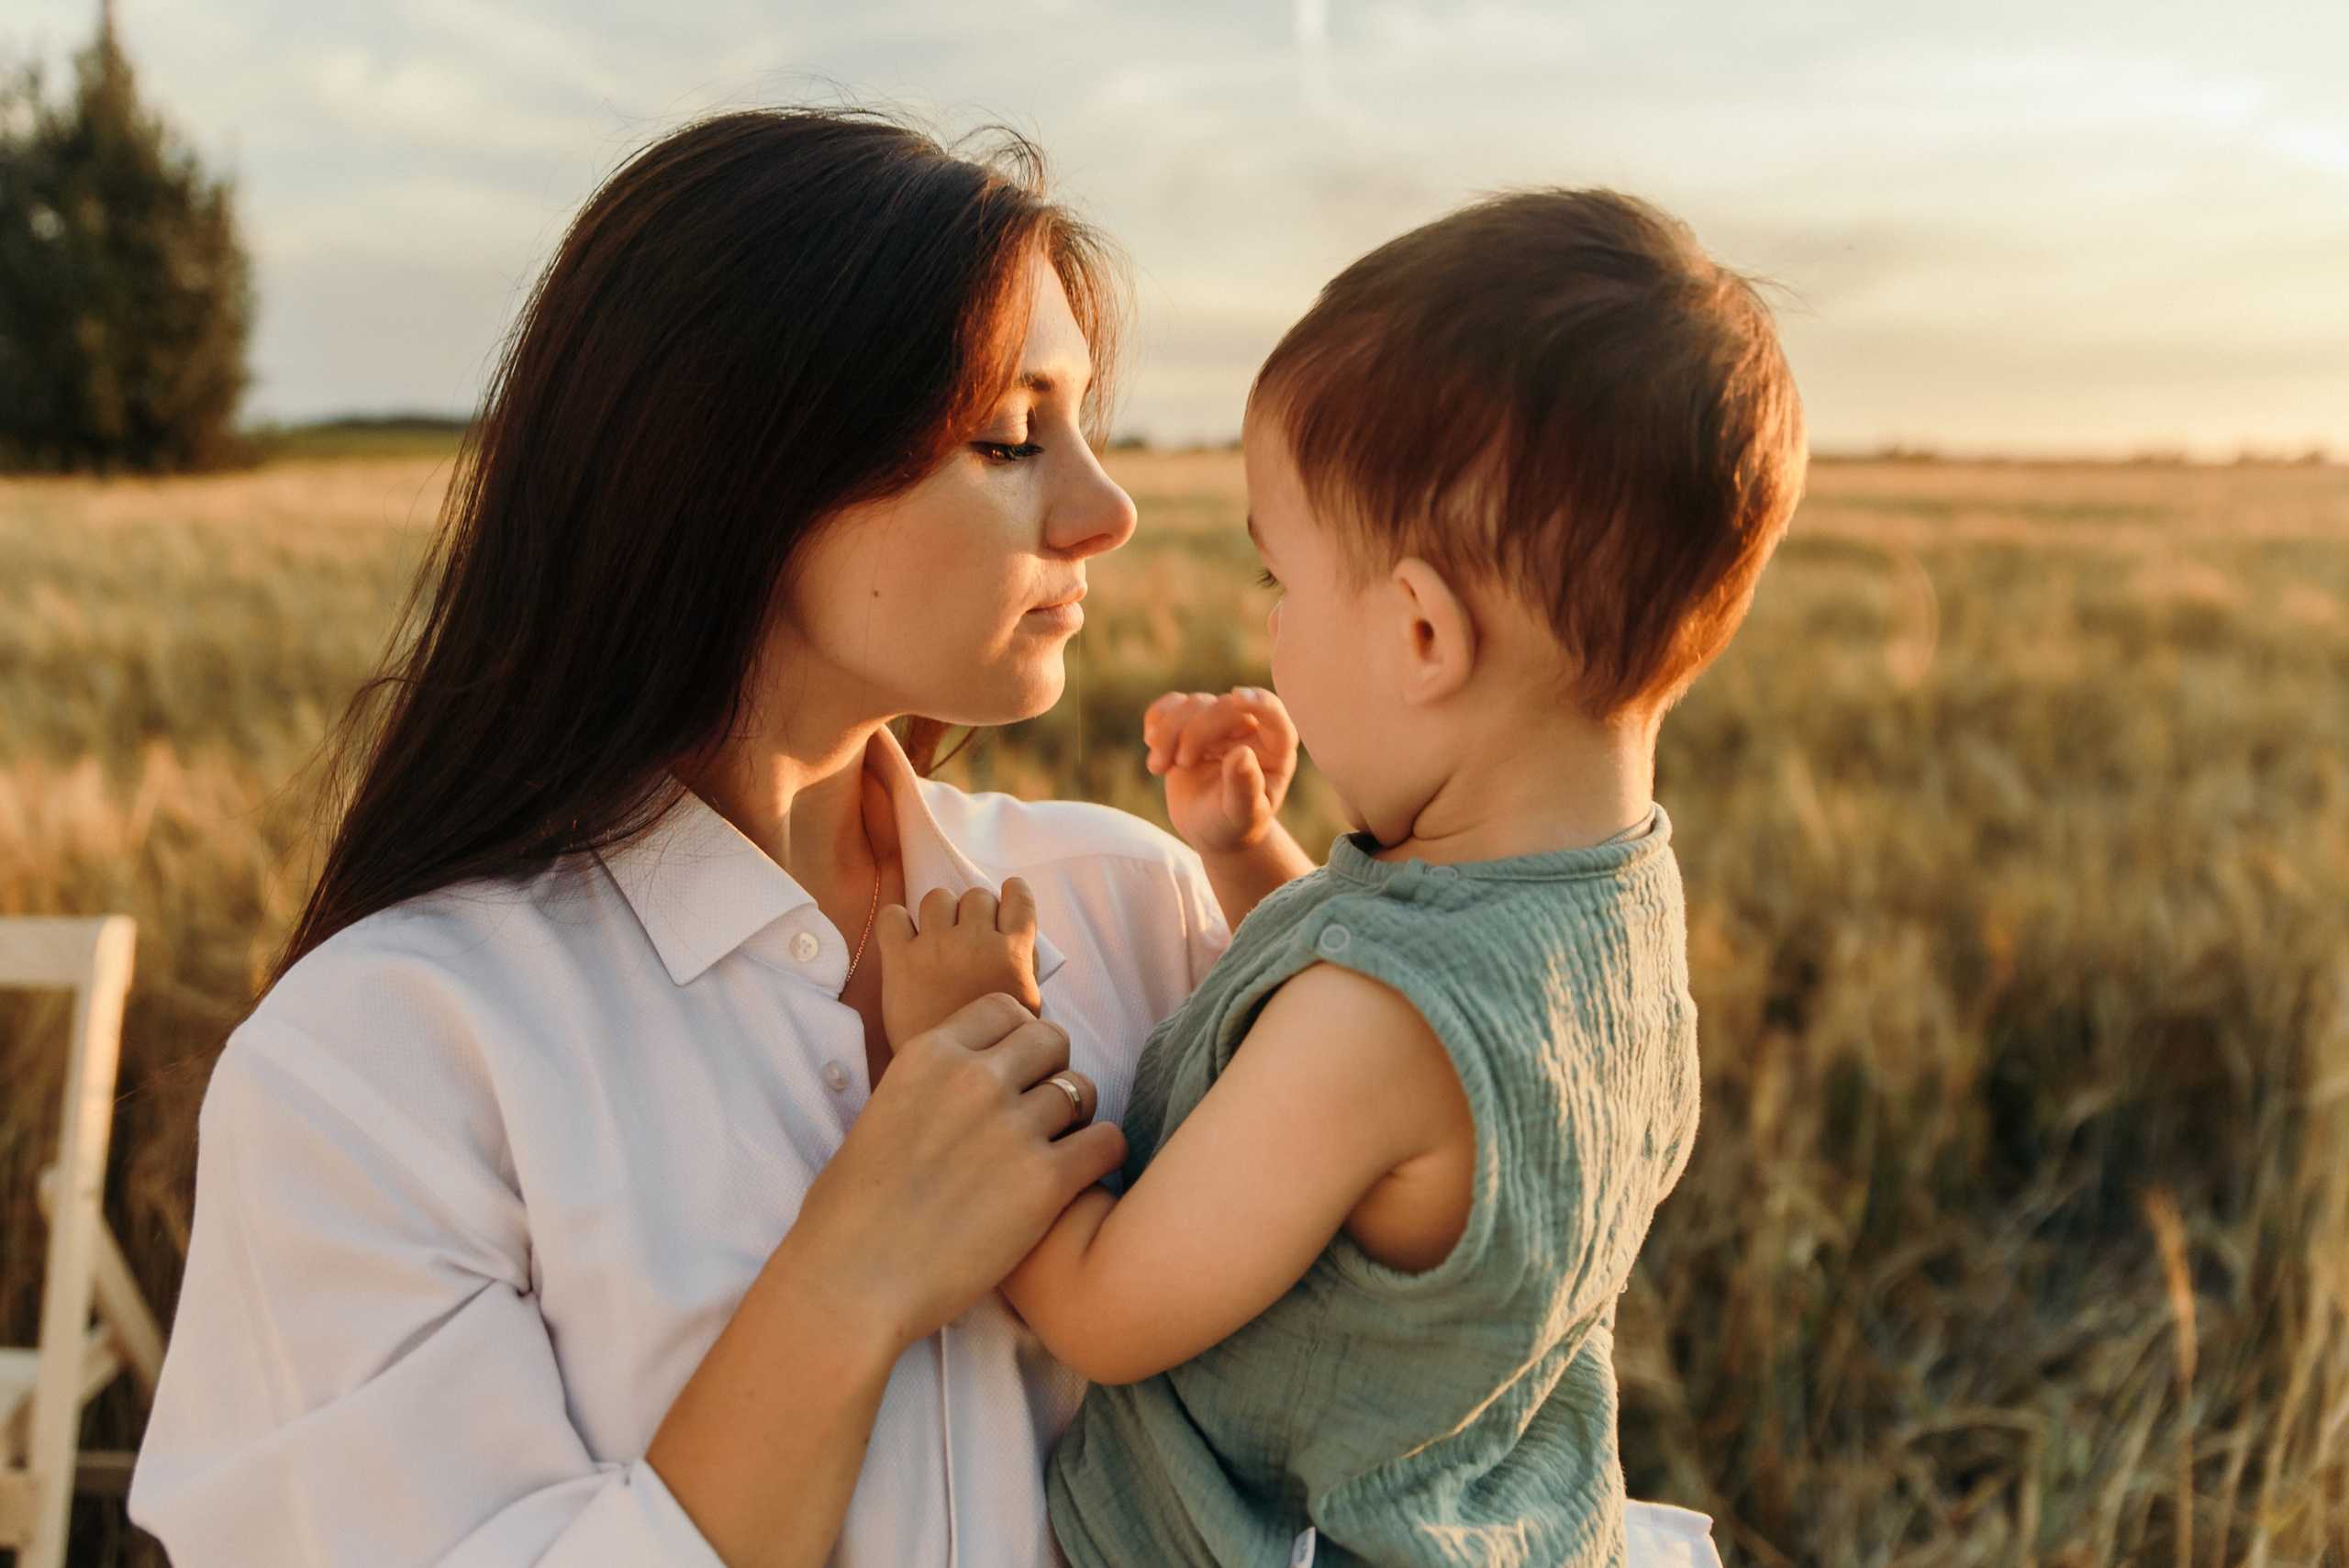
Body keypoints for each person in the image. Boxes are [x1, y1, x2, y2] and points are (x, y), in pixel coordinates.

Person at [128, 110, 1230, 1568]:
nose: (1107, 508)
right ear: (739, 468)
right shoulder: (383, 1057)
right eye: (1012, 437)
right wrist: (852, 1276)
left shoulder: (1142, 907)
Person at [887, 190, 1805, 1566]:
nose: (1271, 627)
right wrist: (1246, 847)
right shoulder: (1612, 911)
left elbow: (1097, 1306)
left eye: (1284, 580)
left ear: (1424, 630)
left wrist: (970, 1043)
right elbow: (1391, 1077)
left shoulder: (1374, 1039)